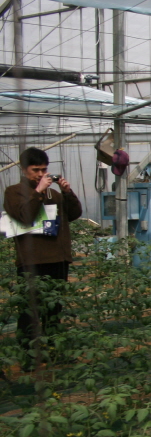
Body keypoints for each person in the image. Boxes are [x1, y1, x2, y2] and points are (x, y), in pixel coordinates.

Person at [3, 147, 83, 353]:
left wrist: (67, 193)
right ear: (23, 169)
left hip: (58, 258)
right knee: (31, 309)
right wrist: (37, 191)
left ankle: (54, 350)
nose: (40, 174)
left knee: (54, 308)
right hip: (33, 261)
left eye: (44, 170)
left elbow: (73, 214)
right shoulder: (14, 192)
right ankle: (30, 354)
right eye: (35, 170)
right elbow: (25, 216)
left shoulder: (53, 194)